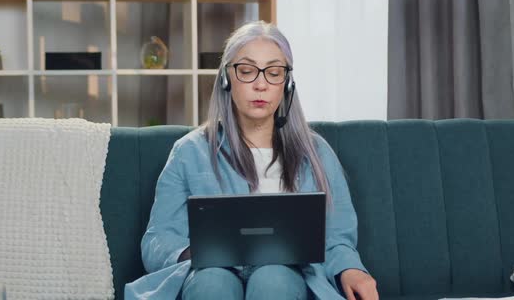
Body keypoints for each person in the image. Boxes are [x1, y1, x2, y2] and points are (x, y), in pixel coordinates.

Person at [125, 21, 378, 300]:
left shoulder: (316, 152)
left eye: (273, 72)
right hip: (211, 272)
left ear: (287, 83)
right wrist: (199, 251)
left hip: (287, 276)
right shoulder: (189, 152)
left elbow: (337, 237)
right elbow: (156, 240)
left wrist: (351, 270)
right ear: (226, 79)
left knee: (273, 277)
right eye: (246, 71)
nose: (260, 84)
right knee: (212, 282)